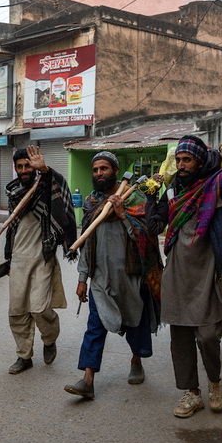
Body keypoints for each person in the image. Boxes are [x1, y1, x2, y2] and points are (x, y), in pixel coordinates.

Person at [149, 136, 222, 418]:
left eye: (188, 160)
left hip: (207, 268)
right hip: (177, 269)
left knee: (208, 334)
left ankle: (215, 383)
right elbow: (156, 222)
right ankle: (191, 393)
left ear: (200, 161)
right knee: (180, 337)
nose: (182, 166)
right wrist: (146, 202)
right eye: (179, 160)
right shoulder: (172, 191)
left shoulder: (217, 184)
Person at [64, 152, 163, 399]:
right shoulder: (91, 203)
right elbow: (86, 243)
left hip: (131, 275)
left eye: (104, 168)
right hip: (101, 278)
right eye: (95, 169)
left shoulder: (134, 197)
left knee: (135, 323)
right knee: (95, 327)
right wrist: (81, 279)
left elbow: (146, 236)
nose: (99, 173)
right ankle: (87, 380)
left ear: (115, 171)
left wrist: (122, 214)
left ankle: (136, 360)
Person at [4, 145, 77, 374]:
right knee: (16, 310)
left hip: (42, 257)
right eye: (20, 166)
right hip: (18, 259)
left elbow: (57, 186)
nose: (24, 170)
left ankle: (49, 337)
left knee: (39, 308)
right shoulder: (13, 191)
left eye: (28, 166)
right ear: (15, 169)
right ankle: (24, 355)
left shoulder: (45, 186)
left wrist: (44, 170)